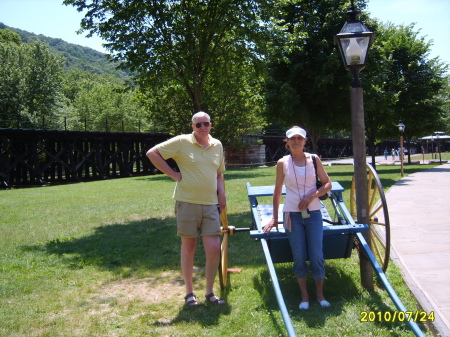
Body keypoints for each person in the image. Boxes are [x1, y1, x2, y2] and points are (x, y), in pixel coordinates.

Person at [146, 111, 227, 306]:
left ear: (210, 125)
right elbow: (152, 153)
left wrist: (222, 194)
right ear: (192, 127)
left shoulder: (217, 145)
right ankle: (190, 293)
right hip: (187, 203)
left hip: (210, 204)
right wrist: (174, 174)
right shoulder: (182, 142)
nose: (202, 127)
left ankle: (209, 292)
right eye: (198, 124)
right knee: (189, 247)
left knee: (214, 248)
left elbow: (219, 173)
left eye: (205, 124)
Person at [263, 126, 332, 310]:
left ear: (304, 141)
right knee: (299, 255)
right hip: (291, 215)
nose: (296, 141)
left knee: (317, 255)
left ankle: (320, 294)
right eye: (292, 138)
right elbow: (277, 191)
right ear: (286, 142)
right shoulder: (282, 163)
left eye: (299, 138)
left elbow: (327, 184)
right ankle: (304, 295)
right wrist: (274, 218)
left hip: (314, 214)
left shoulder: (314, 159)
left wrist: (312, 196)